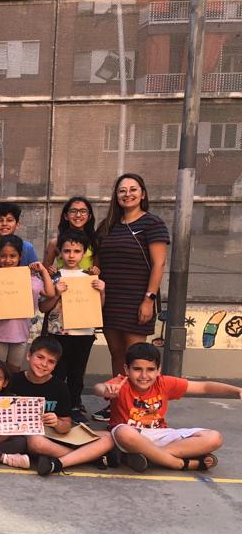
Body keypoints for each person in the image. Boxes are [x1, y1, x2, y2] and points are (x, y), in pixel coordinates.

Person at [94, 342, 239, 472]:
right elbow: (98, 388)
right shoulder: (120, 383)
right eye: (137, 369)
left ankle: (146, 456)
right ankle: (179, 463)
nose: (144, 375)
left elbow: (205, 387)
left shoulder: (164, 383)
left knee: (214, 438)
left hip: (160, 434)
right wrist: (106, 389)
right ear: (127, 369)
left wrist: (237, 391)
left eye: (150, 369)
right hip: (131, 436)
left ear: (158, 370)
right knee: (124, 432)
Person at [94, 173, 169, 421]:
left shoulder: (153, 224)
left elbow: (158, 265)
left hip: (137, 300)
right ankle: (117, 404)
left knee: (135, 356)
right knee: (116, 353)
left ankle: (139, 406)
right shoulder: (108, 226)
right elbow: (97, 262)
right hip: (110, 300)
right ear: (116, 195)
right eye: (122, 190)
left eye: (133, 189)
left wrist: (149, 299)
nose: (128, 194)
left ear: (143, 193)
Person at [2, 337, 116, 477]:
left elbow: (66, 426)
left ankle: (56, 459)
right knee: (36, 440)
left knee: (108, 437)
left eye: (51, 361)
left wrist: (56, 422)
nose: (44, 364)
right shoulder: (13, 381)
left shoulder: (60, 387)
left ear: (56, 365)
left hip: (55, 436)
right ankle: (89, 457)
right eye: (40, 357)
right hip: (30, 437)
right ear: (29, 356)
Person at [39, 230, 105, 423]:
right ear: (59, 252)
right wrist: (56, 294)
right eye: (67, 250)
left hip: (84, 333)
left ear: (84, 253)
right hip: (58, 333)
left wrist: (102, 291)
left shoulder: (89, 276)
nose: (71, 255)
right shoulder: (53, 276)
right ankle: (57, 408)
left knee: (77, 373)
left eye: (77, 251)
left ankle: (75, 406)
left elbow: (99, 306)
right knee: (57, 372)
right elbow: (43, 308)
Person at [0, 234, 54, 373]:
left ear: (20, 256)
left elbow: (50, 293)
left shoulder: (30, 278)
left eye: (13, 256)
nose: (8, 260)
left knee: (14, 371)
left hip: (21, 334)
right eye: (3, 256)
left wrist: (43, 270)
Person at [43, 197, 100, 273]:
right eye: (73, 211)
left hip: (86, 280)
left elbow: (97, 269)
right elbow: (44, 271)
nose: (78, 215)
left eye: (83, 211)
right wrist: (52, 272)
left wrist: (95, 271)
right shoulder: (55, 242)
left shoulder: (94, 242)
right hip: (63, 280)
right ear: (66, 216)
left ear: (89, 216)